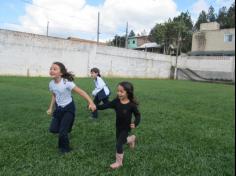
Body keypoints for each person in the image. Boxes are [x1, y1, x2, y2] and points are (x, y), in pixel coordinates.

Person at [46, 62, 96, 154]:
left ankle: (65, 150)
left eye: (54, 69)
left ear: (61, 73)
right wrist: (50, 108)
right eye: (51, 68)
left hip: (68, 108)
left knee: (62, 132)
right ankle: (66, 128)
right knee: (53, 129)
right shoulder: (51, 84)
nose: (51, 70)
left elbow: (82, 92)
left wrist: (91, 102)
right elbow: (54, 95)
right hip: (58, 108)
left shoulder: (66, 83)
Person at [97, 81, 141, 169]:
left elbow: (137, 115)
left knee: (119, 144)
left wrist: (135, 123)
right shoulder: (116, 101)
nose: (119, 93)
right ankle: (132, 138)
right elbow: (106, 105)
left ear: (128, 92)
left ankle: (119, 162)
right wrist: (95, 107)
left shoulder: (131, 105)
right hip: (118, 127)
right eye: (118, 91)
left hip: (126, 128)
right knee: (123, 141)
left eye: (121, 91)